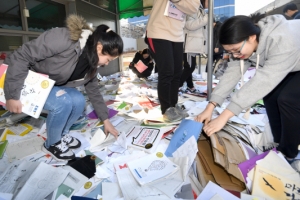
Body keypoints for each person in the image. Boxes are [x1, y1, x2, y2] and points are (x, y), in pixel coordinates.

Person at [3, 14, 123, 161]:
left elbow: (94, 92)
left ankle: (61, 135)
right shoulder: (64, 38)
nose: (106, 64)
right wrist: (12, 95)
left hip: (46, 84)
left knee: (79, 100)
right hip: (22, 78)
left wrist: (106, 120)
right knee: (63, 101)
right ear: (99, 48)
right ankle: (52, 143)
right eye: (108, 59)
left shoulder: (91, 63)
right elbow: (21, 56)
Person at [195, 13, 300, 164]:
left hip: (293, 56)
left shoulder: (281, 40)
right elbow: (231, 75)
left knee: (288, 99)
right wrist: (210, 107)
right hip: (292, 63)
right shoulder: (244, 45)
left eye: (236, 50)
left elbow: (263, 81)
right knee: (271, 96)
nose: (235, 55)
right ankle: (279, 144)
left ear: (251, 37)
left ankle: (288, 152)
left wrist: (224, 117)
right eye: (230, 52)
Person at [146, 0, 200, 122]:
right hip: (159, 31)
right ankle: (166, 109)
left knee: (177, 73)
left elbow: (193, 8)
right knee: (167, 72)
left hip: (177, 35)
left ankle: (173, 105)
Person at [181, 0, 208, 94]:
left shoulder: (200, 10)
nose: (210, 3)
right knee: (189, 67)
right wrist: (206, 19)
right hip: (189, 44)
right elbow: (190, 25)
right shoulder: (193, 8)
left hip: (193, 44)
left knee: (189, 67)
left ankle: (190, 85)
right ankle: (176, 86)